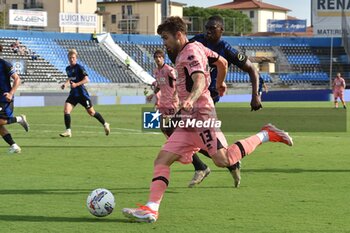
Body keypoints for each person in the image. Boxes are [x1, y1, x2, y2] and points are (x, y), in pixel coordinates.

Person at [122, 16, 293, 223]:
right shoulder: (198, 47)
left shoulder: (191, 52)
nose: (164, 43)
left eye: (165, 38)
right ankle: (151, 209)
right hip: (188, 119)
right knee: (162, 160)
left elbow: (200, 79)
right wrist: (220, 83)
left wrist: (191, 99)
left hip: (201, 114)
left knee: (224, 159)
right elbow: (221, 62)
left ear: (178, 35)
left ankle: (267, 134)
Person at [190, 15, 263, 187]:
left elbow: (252, 69)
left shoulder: (226, 49)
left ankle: (211, 164)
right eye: (206, 27)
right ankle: (225, 162)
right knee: (178, 131)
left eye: (212, 28)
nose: (208, 31)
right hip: (194, 94)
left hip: (208, 98)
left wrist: (255, 95)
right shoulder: (197, 41)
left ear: (221, 30)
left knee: (178, 130)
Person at [146, 49, 212, 188]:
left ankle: (200, 163)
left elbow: (177, 83)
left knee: (178, 134)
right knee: (165, 129)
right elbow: (159, 85)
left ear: (163, 58)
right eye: (156, 57)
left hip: (172, 104)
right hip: (163, 104)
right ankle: (183, 151)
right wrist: (153, 94)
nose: (158, 59)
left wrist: (176, 97)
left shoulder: (169, 70)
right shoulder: (156, 72)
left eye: (160, 57)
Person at [60, 49, 110, 137]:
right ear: (68, 58)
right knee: (66, 110)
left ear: (76, 58)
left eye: (73, 57)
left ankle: (105, 124)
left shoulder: (79, 67)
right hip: (73, 94)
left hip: (82, 94)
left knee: (91, 113)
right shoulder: (67, 69)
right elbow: (70, 78)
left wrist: (76, 84)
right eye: (70, 58)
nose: (72, 59)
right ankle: (68, 131)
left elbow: (87, 79)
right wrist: (65, 84)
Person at [0, 45, 29, 153]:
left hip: (5, 100)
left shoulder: (4, 64)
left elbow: (17, 79)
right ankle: (14, 146)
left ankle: (19, 119)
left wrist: (11, 93)